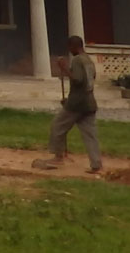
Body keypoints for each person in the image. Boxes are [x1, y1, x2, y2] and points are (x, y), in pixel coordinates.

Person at [35, 35, 102, 173]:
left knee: (57, 126)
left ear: (73, 46)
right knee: (90, 135)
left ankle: (58, 157)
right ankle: (96, 164)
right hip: (89, 102)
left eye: (70, 47)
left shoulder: (77, 60)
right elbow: (89, 80)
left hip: (76, 104)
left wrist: (64, 68)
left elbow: (78, 80)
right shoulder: (89, 60)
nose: (69, 50)